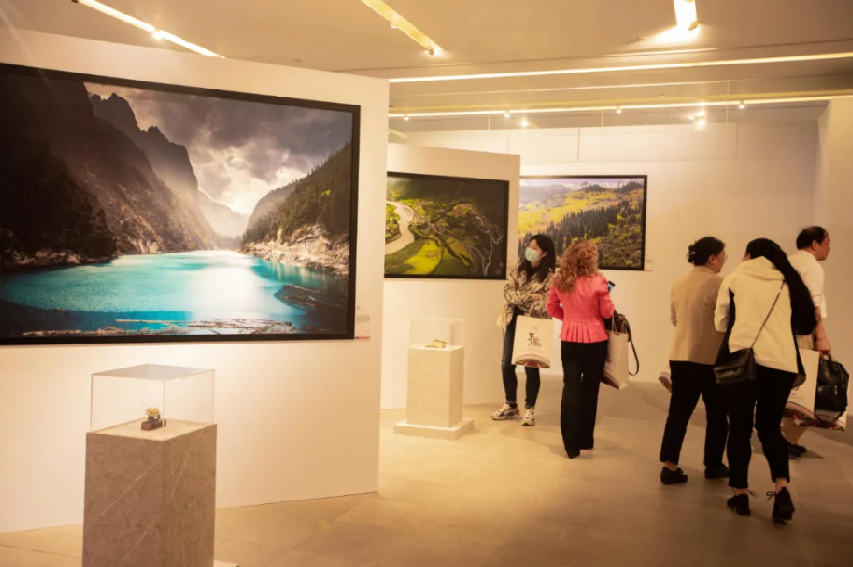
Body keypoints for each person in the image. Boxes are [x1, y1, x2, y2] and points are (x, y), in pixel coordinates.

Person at [715, 238, 816, 521]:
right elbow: (805, 324)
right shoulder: (788, 280)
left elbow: (720, 322)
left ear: (749, 255)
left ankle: (740, 495)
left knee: (740, 428)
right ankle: (782, 490)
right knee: (770, 428)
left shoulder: (735, 277)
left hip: (743, 363)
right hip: (782, 363)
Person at [660, 237, 730, 485]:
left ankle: (669, 466)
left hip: (680, 356)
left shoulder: (679, 283)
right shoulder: (720, 285)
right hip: (711, 358)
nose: (725, 260)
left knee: (678, 414)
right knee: (717, 415)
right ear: (712, 258)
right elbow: (725, 322)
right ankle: (713, 464)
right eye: (723, 256)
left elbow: (674, 319)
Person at [547, 240, 615, 459]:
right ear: (590, 259)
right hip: (595, 340)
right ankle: (585, 439)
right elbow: (607, 313)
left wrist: (568, 319)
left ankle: (570, 445)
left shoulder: (559, 280)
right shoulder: (599, 281)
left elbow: (551, 308)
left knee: (570, 389)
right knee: (590, 390)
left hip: (569, 340)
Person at [493, 235, 556, 426]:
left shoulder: (550, 278)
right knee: (506, 365)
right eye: (529, 246)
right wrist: (531, 296)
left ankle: (529, 409)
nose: (530, 250)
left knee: (531, 367)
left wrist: (524, 298)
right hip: (513, 321)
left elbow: (545, 305)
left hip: (534, 325)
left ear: (544, 253)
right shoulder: (516, 272)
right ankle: (511, 405)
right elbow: (508, 295)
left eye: (535, 248)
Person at [783, 226, 832, 457]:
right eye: (827, 243)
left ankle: (785, 437)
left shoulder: (789, 261)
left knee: (787, 384)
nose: (829, 248)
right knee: (803, 386)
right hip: (804, 332)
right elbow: (814, 306)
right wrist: (821, 336)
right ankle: (787, 439)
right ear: (814, 243)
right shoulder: (811, 266)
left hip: (785, 330)